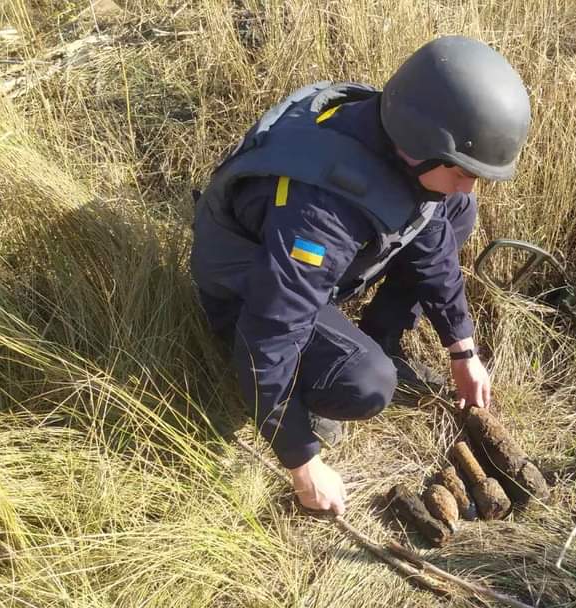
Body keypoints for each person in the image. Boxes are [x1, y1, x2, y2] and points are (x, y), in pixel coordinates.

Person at [189, 36, 531, 514]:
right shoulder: (321, 214)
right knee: (367, 383)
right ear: (423, 146)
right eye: (462, 169)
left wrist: (462, 346)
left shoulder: (400, 139)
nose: (470, 183)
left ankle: (380, 338)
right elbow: (267, 335)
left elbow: (431, 242)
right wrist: (301, 460)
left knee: (456, 211)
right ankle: (317, 390)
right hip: (247, 289)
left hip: (309, 266)